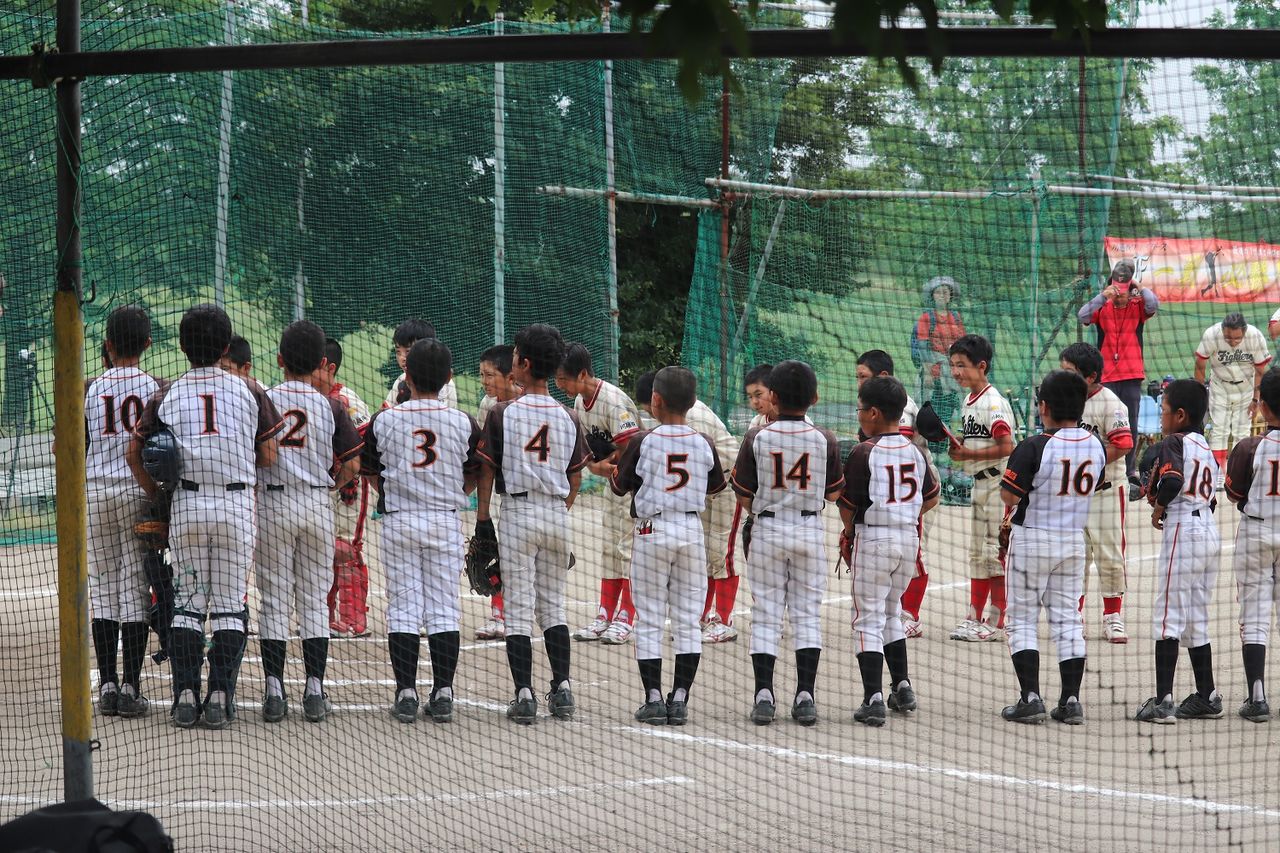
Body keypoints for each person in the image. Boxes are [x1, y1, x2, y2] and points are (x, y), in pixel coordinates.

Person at [128, 304, 282, 729]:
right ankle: (219, 697)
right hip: (235, 507)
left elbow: (133, 453)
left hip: (188, 506)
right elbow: (268, 455)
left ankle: (184, 695)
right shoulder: (250, 389)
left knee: (187, 606)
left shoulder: (168, 392)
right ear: (227, 346)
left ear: (181, 347)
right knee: (232, 606)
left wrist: (159, 497)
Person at [363, 338, 482, 724]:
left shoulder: (386, 419)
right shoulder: (463, 421)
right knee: (444, 606)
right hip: (445, 518)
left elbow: (368, 470)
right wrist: (455, 494)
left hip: (399, 518)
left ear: (406, 378)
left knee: (403, 605)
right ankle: (444, 691)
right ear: (449, 377)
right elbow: (476, 470)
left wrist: (392, 492)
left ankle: (406, 692)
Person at [476, 324, 590, 724]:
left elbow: (487, 471)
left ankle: (523, 694)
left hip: (519, 514)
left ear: (522, 364)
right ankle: (562, 688)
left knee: (519, 608)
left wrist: (483, 520)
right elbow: (576, 478)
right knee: (553, 606)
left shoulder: (503, 412)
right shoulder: (566, 415)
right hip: (557, 512)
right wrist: (561, 512)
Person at [255, 322, 363, 724]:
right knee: (315, 599)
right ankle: (315, 689)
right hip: (317, 503)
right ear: (322, 363)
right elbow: (353, 462)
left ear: (280, 360)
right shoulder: (331, 404)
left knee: (275, 599)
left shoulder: (264, 397)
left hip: (274, 503)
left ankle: (274, 689)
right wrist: (330, 486)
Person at [731, 361, 844, 726]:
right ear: (814, 398)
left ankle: (764, 695)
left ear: (774, 398)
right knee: (806, 614)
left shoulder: (757, 437)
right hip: (810, 529)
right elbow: (834, 491)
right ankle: (805, 695)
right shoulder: (825, 438)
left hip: (768, 529)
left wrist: (764, 510)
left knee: (766, 613)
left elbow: (744, 494)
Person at [612, 366, 726, 725]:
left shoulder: (642, 440)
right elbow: (714, 486)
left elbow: (619, 486)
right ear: (692, 403)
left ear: (655, 400)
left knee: (648, 618)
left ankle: (653, 698)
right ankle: (680, 700)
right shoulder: (703, 441)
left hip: (652, 531)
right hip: (691, 531)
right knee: (687, 620)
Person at [997, 370, 1106, 725]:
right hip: (1073, 541)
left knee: (1022, 620)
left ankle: (1030, 698)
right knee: (1067, 620)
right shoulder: (1096, 444)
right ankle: (1071, 700)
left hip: (1032, 538)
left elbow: (1009, 494)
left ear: (1043, 406)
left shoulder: (1035, 445)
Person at [840, 376, 939, 727]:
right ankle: (902, 686)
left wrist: (848, 532)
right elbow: (932, 495)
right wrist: (906, 515)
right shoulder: (913, 449)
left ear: (875, 413)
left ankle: (873, 698)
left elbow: (848, 502)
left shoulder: (864, 451)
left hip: (875, 538)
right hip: (907, 539)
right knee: (891, 613)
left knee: (867, 618)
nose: (859, 414)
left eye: (861, 409)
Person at [87, 306, 160, 719]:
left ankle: (108, 684)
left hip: (95, 492)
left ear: (108, 345)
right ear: (148, 344)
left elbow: (68, 446)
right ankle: (131, 684)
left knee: (102, 585)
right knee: (134, 584)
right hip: (136, 490)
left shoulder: (90, 386)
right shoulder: (153, 385)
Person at [1135, 380, 1222, 724]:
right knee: (1197, 616)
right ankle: (1207, 695)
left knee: (1167, 614)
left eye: (1165, 410)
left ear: (1181, 415)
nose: (1162, 416)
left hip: (1183, 530)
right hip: (1209, 533)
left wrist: (1158, 508)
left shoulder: (1174, 442)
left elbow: (1170, 482)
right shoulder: (1207, 449)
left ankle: (1163, 701)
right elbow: (1212, 497)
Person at [635, 371, 741, 643]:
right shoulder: (680, 416)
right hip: (702, 488)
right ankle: (702, 617)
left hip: (729, 481)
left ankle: (724, 619)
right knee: (704, 552)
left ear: (659, 399)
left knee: (721, 553)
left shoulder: (689, 421)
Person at [555, 342, 643, 645]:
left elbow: (630, 446)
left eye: (564, 378)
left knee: (627, 548)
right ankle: (605, 613)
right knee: (608, 546)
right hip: (615, 483)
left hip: (635, 485)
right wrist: (594, 465)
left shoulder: (612, 400)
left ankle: (627, 616)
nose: (559, 384)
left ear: (582, 374)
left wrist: (610, 466)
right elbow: (589, 448)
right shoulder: (581, 401)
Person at [1059, 342, 1134, 643]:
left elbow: (1123, 443)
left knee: (1109, 554)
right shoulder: (1066, 400)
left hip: (1104, 491)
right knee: (1075, 555)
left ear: (1089, 376)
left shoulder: (1110, 403)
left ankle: (1113, 616)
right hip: (1075, 494)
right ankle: (1074, 615)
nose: (1063, 375)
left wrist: (1088, 461)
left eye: (1069, 371)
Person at [856, 349, 933, 639]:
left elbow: (892, 447)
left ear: (883, 377)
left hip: (913, 488)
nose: (859, 382)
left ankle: (910, 614)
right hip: (891, 487)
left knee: (913, 552)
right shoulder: (870, 405)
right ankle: (895, 611)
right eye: (858, 377)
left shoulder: (903, 407)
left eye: (864, 376)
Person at [947, 334, 1016, 642]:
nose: (956, 371)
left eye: (962, 365)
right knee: (978, 553)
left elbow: (1007, 446)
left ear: (982, 366)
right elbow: (978, 442)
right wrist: (960, 447)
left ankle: (997, 619)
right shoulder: (969, 400)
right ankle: (975, 615)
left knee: (994, 554)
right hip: (979, 485)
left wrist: (968, 454)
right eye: (952, 365)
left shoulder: (993, 402)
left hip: (996, 485)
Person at [1077, 260, 1160, 497]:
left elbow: (1154, 303)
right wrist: (1104, 296)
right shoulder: (1102, 308)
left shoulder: (1137, 307)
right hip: (1106, 376)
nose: (1121, 298)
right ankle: (1101, 463)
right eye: (1117, 293)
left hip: (1132, 375)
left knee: (1130, 424)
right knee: (1102, 421)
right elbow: (1082, 314)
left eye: (1124, 293)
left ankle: (1130, 469)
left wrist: (1138, 286)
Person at [1225, 367, 1280, 723]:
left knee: (1254, 615)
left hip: (1257, 533)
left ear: (1262, 407)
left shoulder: (1251, 446)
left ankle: (1257, 697)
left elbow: (1234, 492)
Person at [313, 337, 374, 638]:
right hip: (316, 487)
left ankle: (353, 619)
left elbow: (364, 447)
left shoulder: (348, 400)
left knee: (346, 548)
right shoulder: (304, 397)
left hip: (349, 486)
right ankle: (321, 616)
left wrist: (342, 477)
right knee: (320, 550)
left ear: (329, 367)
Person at [474, 344, 521, 640]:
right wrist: (483, 514)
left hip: (534, 498)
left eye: (490, 375)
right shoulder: (487, 406)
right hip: (508, 496)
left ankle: (519, 615)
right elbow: (484, 462)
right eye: (482, 375)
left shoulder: (528, 404)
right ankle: (499, 613)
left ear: (511, 375)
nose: (484, 381)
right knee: (499, 553)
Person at [1194, 312, 1271, 475]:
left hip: (1246, 386)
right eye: (1228, 338)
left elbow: (1260, 371)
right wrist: (1199, 394)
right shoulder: (1212, 335)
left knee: (1242, 430)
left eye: (1237, 338)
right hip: (1220, 385)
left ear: (1244, 331)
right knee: (1219, 429)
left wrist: (1256, 400)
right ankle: (1216, 473)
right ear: (1222, 330)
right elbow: (1200, 365)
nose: (1232, 342)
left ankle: (1237, 472)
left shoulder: (1255, 336)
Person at [911, 276, 967, 481]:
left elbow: (962, 344)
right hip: (934, 373)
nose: (942, 295)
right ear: (932, 296)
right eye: (938, 292)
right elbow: (924, 345)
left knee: (949, 409)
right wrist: (927, 370)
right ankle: (928, 454)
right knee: (930, 411)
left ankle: (943, 455)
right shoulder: (927, 318)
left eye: (946, 292)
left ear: (950, 296)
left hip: (951, 374)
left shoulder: (956, 318)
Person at [384, 318, 458, 409]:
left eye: (408, 351)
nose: (402, 358)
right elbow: (384, 411)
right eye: (398, 352)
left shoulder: (445, 385)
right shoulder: (401, 379)